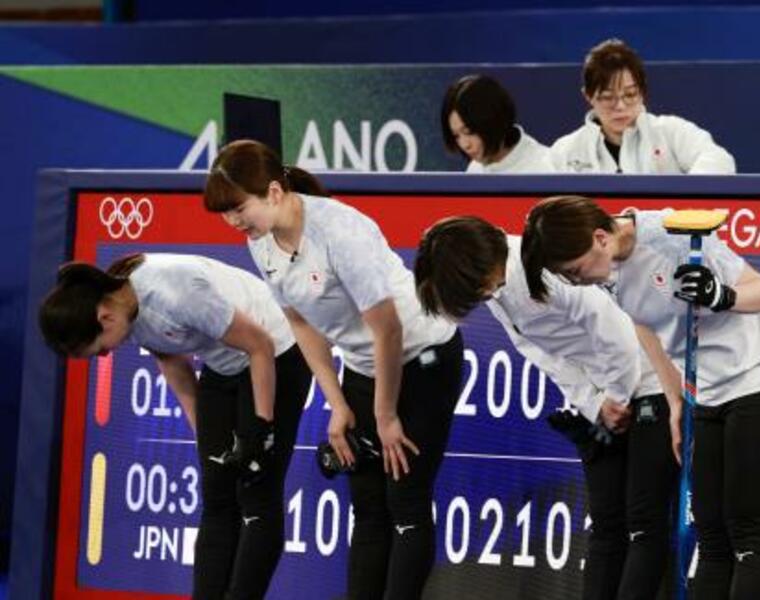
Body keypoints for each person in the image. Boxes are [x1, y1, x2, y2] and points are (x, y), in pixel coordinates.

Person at [203, 139, 463, 600]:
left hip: (421, 357)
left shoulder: (341, 232)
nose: (234, 222)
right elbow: (301, 323)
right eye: (225, 214)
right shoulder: (260, 242)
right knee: (367, 506)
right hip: (364, 365)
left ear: (274, 192)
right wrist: (337, 404)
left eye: (239, 208)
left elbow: (388, 330)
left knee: (405, 501)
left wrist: (385, 415)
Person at [522, 195, 760, 600]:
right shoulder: (607, 270)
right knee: (710, 536)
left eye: (575, 271)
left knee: (747, 534)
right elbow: (643, 324)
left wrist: (722, 295)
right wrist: (675, 400)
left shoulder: (674, 238)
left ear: (600, 238)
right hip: (706, 394)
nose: (575, 283)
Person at [413, 215, 682, 600]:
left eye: (479, 288)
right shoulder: (496, 287)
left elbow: (617, 330)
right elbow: (538, 351)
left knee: (643, 524)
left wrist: (618, 397)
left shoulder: (543, 266)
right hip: (606, 399)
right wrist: (594, 404)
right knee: (606, 524)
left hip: (651, 381)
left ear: (482, 261)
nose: (484, 296)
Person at [39, 252, 312, 599]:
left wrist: (262, 428)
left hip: (277, 352)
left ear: (104, 317)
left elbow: (260, 345)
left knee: (257, 490)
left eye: (100, 350)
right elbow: (172, 362)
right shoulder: (124, 309)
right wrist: (207, 438)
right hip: (224, 363)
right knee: (217, 493)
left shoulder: (174, 293)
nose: (106, 355)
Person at [549, 39, 736, 174]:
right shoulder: (565, 150)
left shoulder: (671, 131)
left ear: (642, 92)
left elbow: (719, 160)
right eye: (607, 97)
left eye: (630, 95)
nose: (620, 106)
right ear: (588, 96)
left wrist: (679, 206)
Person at [441, 74, 552, 173]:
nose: (465, 145)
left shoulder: (546, 167)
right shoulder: (475, 169)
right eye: (456, 136)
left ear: (493, 121)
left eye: (469, 132)